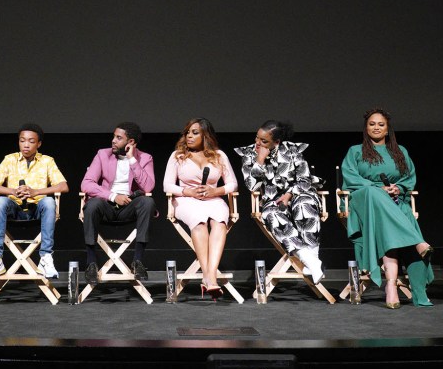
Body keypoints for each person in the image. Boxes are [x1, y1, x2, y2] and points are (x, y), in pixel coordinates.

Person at [341, 107, 434, 308]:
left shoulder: (400, 152)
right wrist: (379, 188)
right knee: (375, 193)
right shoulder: (355, 151)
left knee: (398, 221)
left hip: (393, 203)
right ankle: (419, 242)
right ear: (366, 128)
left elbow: (408, 178)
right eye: (372, 124)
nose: (376, 127)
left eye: (380, 124)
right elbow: (350, 178)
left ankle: (394, 286)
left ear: (387, 129)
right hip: (364, 200)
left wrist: (397, 188)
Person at [234, 120, 326, 284]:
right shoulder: (249, 153)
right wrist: (260, 161)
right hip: (273, 199)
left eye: (264, 141)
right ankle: (310, 260)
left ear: (277, 142)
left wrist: (290, 194)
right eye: (257, 138)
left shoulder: (291, 150)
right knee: (271, 214)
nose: (258, 143)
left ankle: (312, 259)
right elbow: (252, 186)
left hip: (299, 192)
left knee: (304, 205)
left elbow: (304, 179)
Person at [163, 117, 239, 299]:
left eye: (194, 133)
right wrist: (188, 191)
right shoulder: (177, 156)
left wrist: (215, 190)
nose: (189, 136)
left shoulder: (219, 156)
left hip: (213, 199)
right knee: (199, 223)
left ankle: (208, 276)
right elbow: (167, 186)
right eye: (187, 132)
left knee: (220, 222)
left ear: (205, 135)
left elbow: (233, 184)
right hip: (186, 200)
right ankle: (210, 278)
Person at [0, 123, 69, 282]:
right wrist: (13, 191)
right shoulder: (10, 159)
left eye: (31, 141)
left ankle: (46, 258)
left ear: (39, 144)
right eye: (22, 141)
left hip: (36, 208)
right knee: (1, 201)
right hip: (14, 207)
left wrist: (36, 191)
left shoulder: (47, 161)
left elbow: (63, 186)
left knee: (49, 202)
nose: (26, 145)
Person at [80, 122, 157, 284]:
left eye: (119, 138)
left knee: (148, 202)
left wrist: (132, 160)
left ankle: (137, 261)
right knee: (92, 205)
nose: (113, 141)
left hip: (130, 206)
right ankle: (91, 263)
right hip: (106, 204)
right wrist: (113, 196)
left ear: (131, 142)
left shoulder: (145, 158)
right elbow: (86, 183)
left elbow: (148, 186)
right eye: (114, 136)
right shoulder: (102, 154)